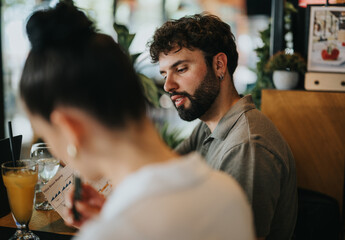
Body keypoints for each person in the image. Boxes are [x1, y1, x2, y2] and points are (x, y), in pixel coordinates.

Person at [20, 2, 255, 240]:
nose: (168, 85)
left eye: (47, 136)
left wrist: (111, 224)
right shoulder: (229, 194)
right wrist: (111, 214)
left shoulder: (110, 234)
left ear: (69, 129)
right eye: (164, 74)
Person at [148, 13, 297, 240]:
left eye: (180, 69)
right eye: (164, 73)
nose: (168, 85)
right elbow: (165, 168)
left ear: (219, 65)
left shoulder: (247, 147)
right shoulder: (210, 125)